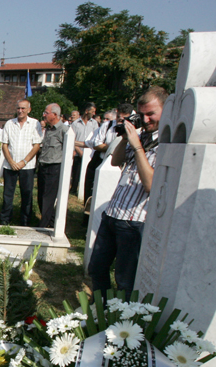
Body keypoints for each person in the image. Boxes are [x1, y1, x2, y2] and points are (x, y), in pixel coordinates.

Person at [87, 86, 167, 298]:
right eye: (141, 115)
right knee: (96, 269)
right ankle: (100, 313)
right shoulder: (140, 136)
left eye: (151, 114)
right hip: (113, 214)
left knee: (125, 279)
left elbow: (151, 184)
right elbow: (116, 160)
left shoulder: (167, 143)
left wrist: (138, 147)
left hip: (134, 221)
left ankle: (120, 321)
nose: (146, 120)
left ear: (166, 111)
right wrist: (125, 137)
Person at [0, 100, 43, 226]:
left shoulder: (35, 124)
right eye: (18, 108)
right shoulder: (9, 123)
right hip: (10, 165)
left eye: (23, 108)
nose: (20, 111)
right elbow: (4, 145)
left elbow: (36, 145)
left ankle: (25, 221)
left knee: (27, 194)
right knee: (8, 194)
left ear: (29, 109)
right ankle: (5, 219)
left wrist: (24, 162)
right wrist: (11, 162)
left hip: (27, 166)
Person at [83, 105, 131, 205]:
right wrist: (113, 147)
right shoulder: (107, 125)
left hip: (121, 166)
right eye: (118, 117)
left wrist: (108, 147)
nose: (120, 120)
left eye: (124, 118)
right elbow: (97, 144)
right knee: (91, 193)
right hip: (101, 161)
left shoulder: (132, 128)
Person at [37, 104, 69, 228]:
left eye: (46, 112)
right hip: (43, 166)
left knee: (48, 198)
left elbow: (69, 150)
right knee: (41, 196)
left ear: (55, 115)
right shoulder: (48, 129)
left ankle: (43, 225)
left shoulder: (63, 130)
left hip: (54, 167)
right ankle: (50, 222)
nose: (44, 115)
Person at [70, 102, 99, 193]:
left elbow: (96, 138)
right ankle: (74, 189)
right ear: (86, 111)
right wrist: (79, 152)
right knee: (76, 173)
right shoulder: (75, 124)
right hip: (78, 152)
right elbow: (72, 139)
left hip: (90, 153)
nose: (94, 114)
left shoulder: (94, 124)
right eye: (92, 111)